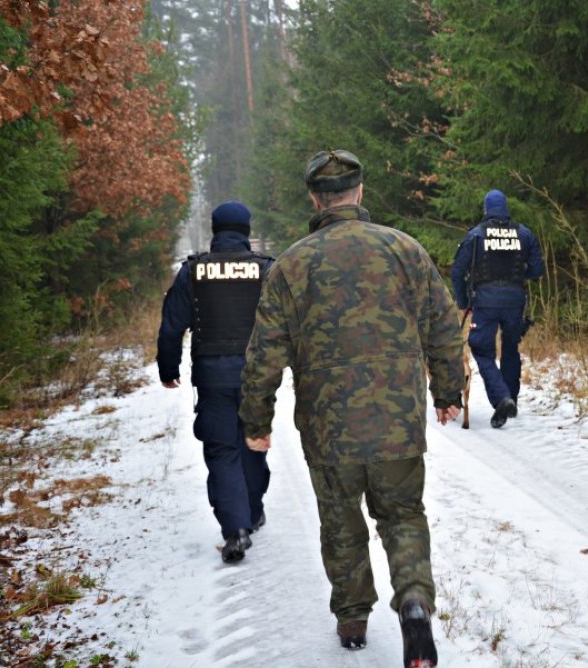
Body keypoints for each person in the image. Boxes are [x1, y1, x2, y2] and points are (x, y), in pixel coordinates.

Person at [239, 149, 464, 666]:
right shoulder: (405, 250)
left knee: (341, 522)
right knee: (402, 514)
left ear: (315, 198)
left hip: (328, 428)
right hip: (398, 422)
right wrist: (448, 392)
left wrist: (256, 420)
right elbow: (444, 328)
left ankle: (353, 617)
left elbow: (264, 355)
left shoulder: (292, 265)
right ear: (359, 191)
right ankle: (413, 602)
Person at [156, 201, 275, 564]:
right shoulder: (266, 270)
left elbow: (172, 324)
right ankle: (252, 512)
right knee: (253, 441)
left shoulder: (193, 271)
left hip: (212, 376)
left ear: (215, 229)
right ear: (246, 230)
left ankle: (235, 529)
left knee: (222, 449)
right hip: (258, 375)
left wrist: (168, 368)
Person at [450, 189, 544, 429]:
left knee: (482, 350)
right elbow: (537, 270)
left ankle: (502, 399)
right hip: (515, 300)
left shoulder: (476, 235)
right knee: (511, 348)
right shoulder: (524, 234)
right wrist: (516, 277)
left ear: (486, 209)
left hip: (485, 301)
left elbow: (457, 272)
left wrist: (463, 302)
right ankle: (510, 399)